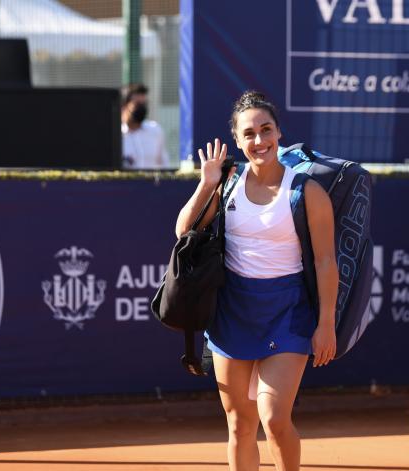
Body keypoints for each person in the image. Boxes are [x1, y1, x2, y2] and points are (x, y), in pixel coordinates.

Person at [175, 91, 337, 471]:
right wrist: (207, 183)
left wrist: (326, 323)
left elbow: (326, 260)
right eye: (249, 134)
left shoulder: (308, 191)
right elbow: (184, 232)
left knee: (275, 418)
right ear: (237, 139)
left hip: (289, 311)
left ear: (279, 132)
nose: (259, 141)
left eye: (266, 130)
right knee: (240, 424)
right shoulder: (226, 185)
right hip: (232, 310)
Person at [120, 83, 171, 169]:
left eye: (144, 104)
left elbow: (164, 166)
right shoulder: (115, 136)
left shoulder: (155, 131)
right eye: (138, 104)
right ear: (124, 106)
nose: (142, 108)